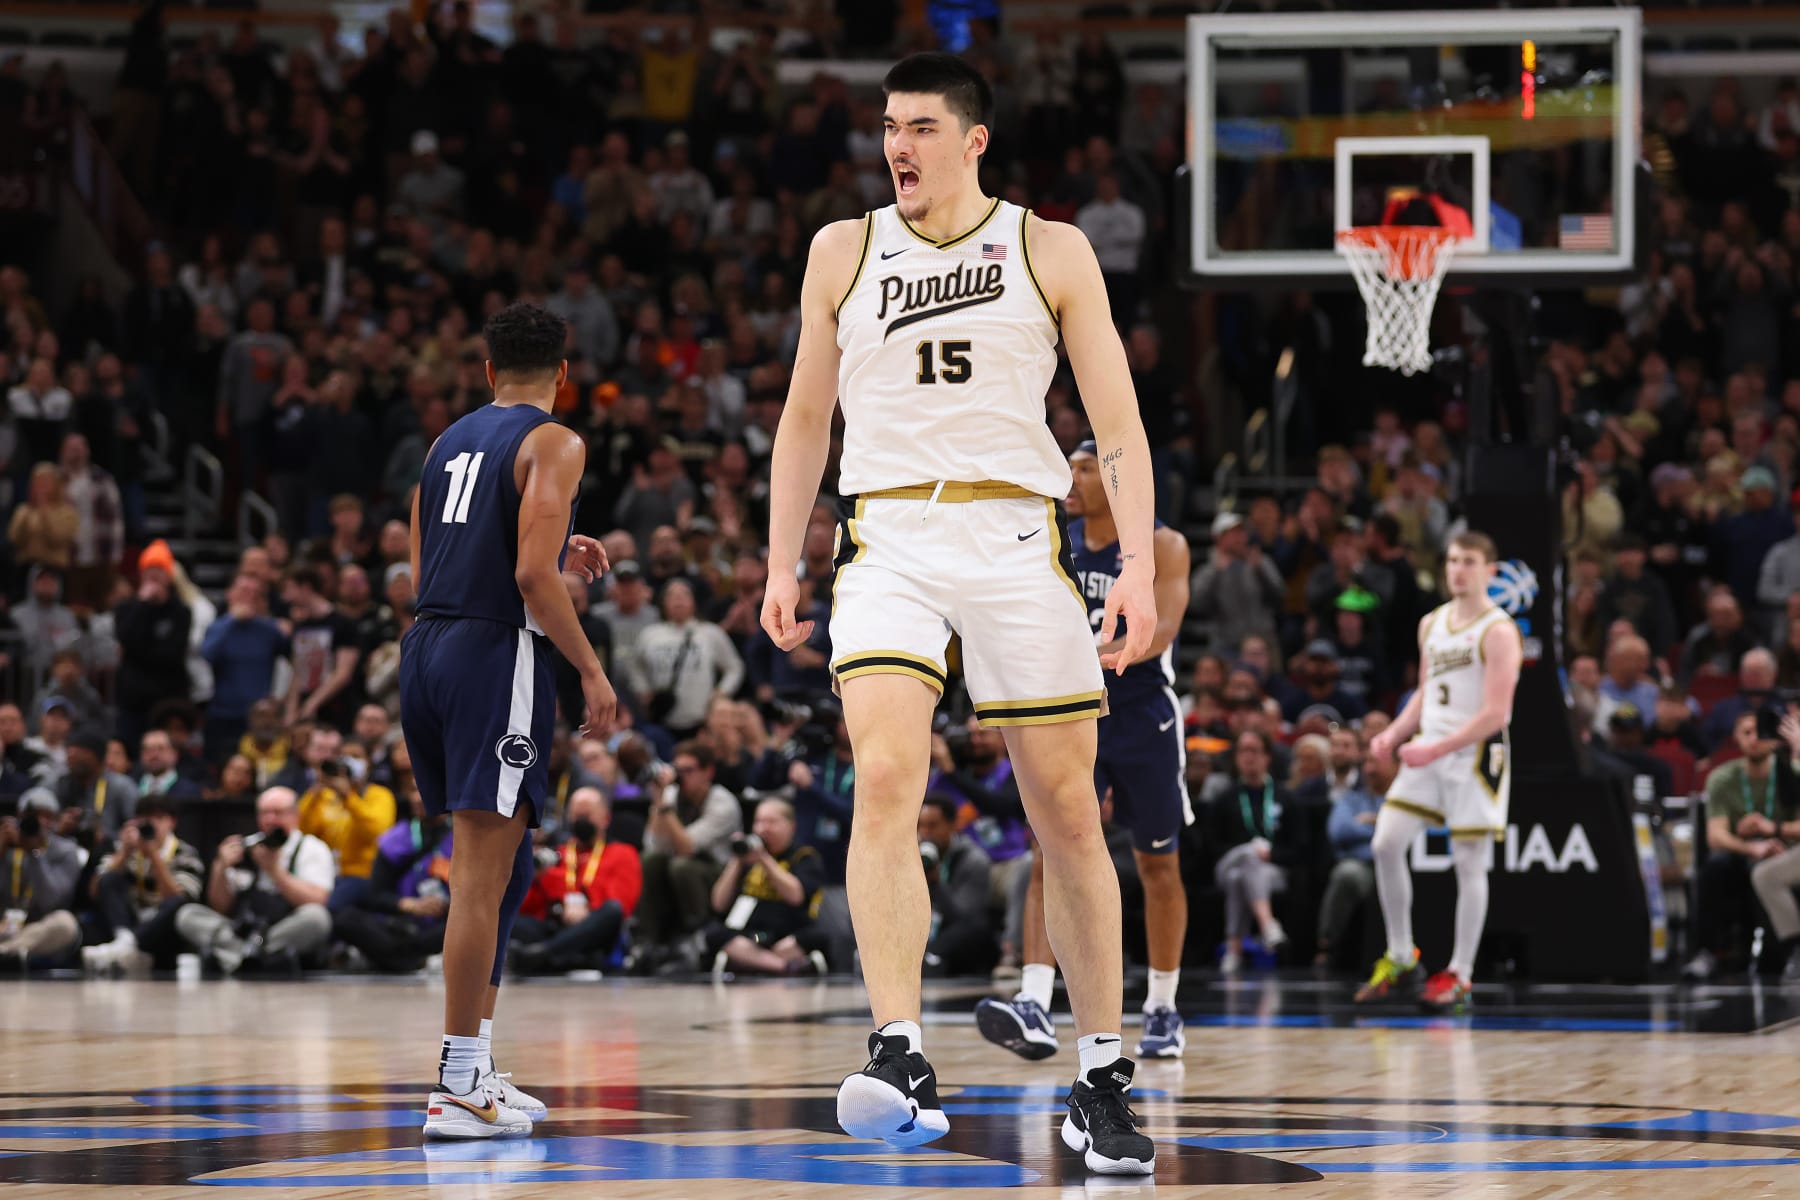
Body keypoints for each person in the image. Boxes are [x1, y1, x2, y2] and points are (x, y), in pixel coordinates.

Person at [759, 53, 1156, 1171]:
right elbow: (802, 422)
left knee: (1068, 811)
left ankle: (1101, 1076)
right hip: (890, 537)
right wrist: (784, 557)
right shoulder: (843, 249)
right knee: (885, 775)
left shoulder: (1051, 247)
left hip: (1020, 537)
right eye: (890, 127)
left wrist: (1133, 567)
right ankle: (897, 1048)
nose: (900, 146)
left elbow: (1116, 423)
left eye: (923, 127)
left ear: (974, 140)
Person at [399, 302, 617, 1140]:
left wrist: (560, 543)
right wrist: (589, 667)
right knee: (482, 877)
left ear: (489, 372)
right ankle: (456, 1082)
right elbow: (530, 574)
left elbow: (433, 563)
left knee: (510, 862)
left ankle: (478, 1068)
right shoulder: (555, 442)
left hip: (429, 646)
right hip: (497, 656)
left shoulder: (446, 442)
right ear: (564, 375)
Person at [976, 439, 1191, 1061]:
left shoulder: (1163, 543)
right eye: (1067, 465)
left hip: (1142, 710)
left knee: (1158, 864)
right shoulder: (1053, 535)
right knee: (1051, 848)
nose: (1072, 476)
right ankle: (1035, 1002)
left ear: (1116, 478)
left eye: (1087, 467)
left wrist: (1093, 655)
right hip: (1074, 707)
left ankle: (1162, 1006)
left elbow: (1165, 628)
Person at [1354, 532, 1524, 1012]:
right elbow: (1427, 693)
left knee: (1469, 864)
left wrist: (1436, 749)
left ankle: (1461, 975)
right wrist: (1393, 734)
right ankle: (1403, 955)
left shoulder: (1499, 630)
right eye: (1452, 560)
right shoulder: (1432, 624)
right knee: (1386, 842)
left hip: (1474, 752)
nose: (1458, 570)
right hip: (1430, 748)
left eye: (1469, 561)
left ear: (1490, 571)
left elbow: (1497, 713)